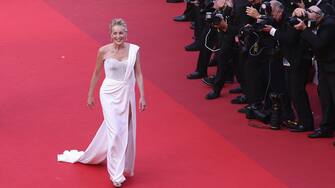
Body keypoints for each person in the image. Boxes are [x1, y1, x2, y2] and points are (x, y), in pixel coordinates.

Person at [57, 18, 147, 187]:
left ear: (126, 34)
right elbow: (96, 74)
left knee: (124, 130)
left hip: (126, 94)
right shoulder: (103, 51)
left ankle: (98, 155)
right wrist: (90, 95)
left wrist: (142, 95)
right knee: (115, 131)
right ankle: (116, 174)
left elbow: (139, 74)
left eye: (121, 33)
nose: (118, 36)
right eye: (115, 33)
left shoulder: (134, 50)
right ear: (110, 34)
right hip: (108, 94)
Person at [293, 6, 335, 138]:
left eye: (308, 15)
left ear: (317, 14)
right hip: (324, 66)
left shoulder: (329, 25)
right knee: (325, 98)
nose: (307, 19)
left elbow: (319, 44)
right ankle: (326, 128)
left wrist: (305, 30)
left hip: (332, 67)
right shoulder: (317, 23)